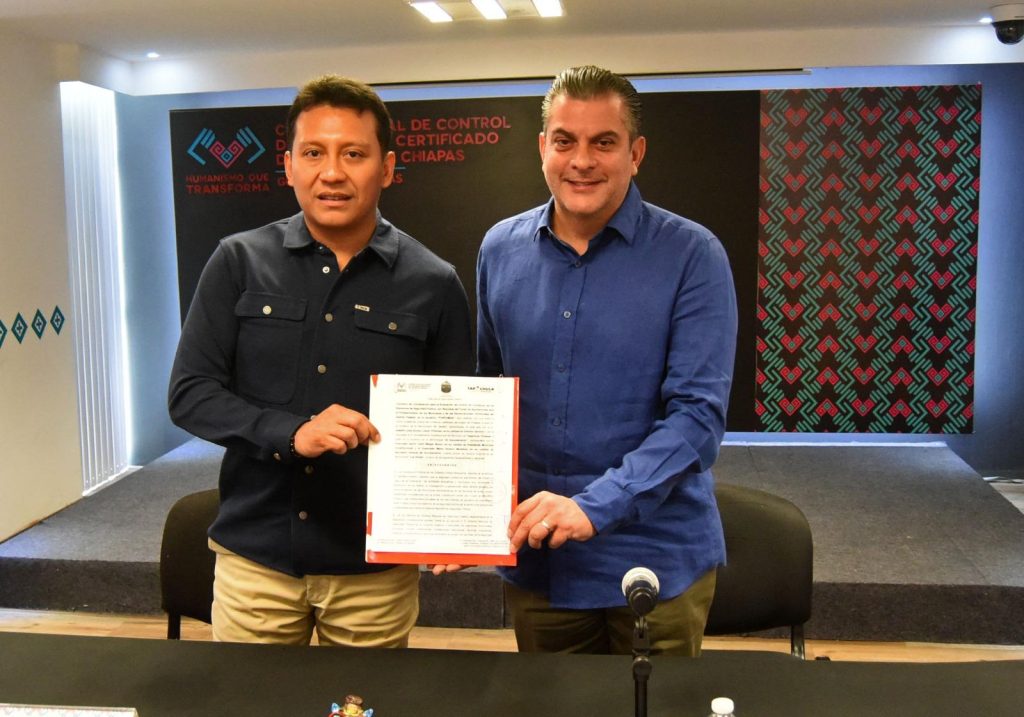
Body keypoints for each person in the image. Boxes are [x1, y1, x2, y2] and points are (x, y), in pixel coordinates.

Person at [168, 75, 473, 647]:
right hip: (257, 561)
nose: (331, 172)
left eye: (353, 154)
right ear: (288, 166)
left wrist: (454, 525)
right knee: (252, 696)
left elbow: (456, 429)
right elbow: (191, 394)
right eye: (313, 153)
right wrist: (291, 433)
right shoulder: (238, 262)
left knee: (361, 698)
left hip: (372, 572)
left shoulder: (434, 284)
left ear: (387, 168)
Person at [474, 65, 737, 655]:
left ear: (635, 153)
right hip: (541, 565)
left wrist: (592, 509)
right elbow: (486, 396)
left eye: (604, 142)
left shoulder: (693, 255)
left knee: (657, 701)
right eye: (565, 141)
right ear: (542, 148)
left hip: (655, 566)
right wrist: (454, 516)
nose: (582, 161)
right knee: (551, 702)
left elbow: (697, 420)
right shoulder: (499, 250)